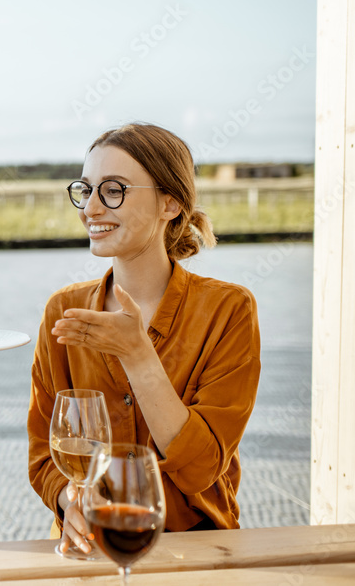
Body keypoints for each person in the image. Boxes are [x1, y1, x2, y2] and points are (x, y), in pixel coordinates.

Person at [27, 123, 261, 554]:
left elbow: (202, 469)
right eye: (86, 189)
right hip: (91, 549)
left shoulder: (228, 310)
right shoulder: (63, 311)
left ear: (169, 203)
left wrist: (139, 356)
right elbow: (45, 454)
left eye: (113, 190)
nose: (91, 209)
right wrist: (68, 498)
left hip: (197, 552)